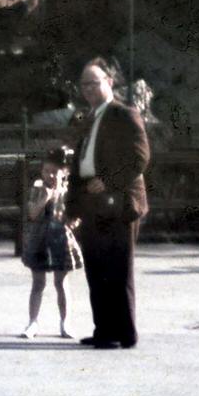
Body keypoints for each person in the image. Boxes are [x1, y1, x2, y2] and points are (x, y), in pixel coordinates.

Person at [66, 56, 151, 349]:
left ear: (110, 82)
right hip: (93, 201)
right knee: (96, 268)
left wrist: (110, 180)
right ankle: (104, 329)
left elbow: (140, 158)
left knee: (117, 268)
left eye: (94, 82)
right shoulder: (87, 118)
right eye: (84, 84)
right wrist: (72, 207)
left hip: (119, 201)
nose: (88, 88)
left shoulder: (124, 114)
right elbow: (80, 162)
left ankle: (125, 333)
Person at [20, 148, 82, 339]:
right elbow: (31, 213)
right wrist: (46, 197)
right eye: (46, 171)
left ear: (66, 172)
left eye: (55, 171)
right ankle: (32, 323)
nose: (50, 175)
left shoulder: (69, 191)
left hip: (60, 239)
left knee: (61, 283)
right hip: (40, 238)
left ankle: (65, 323)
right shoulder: (38, 188)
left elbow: (77, 214)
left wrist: (74, 221)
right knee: (38, 283)